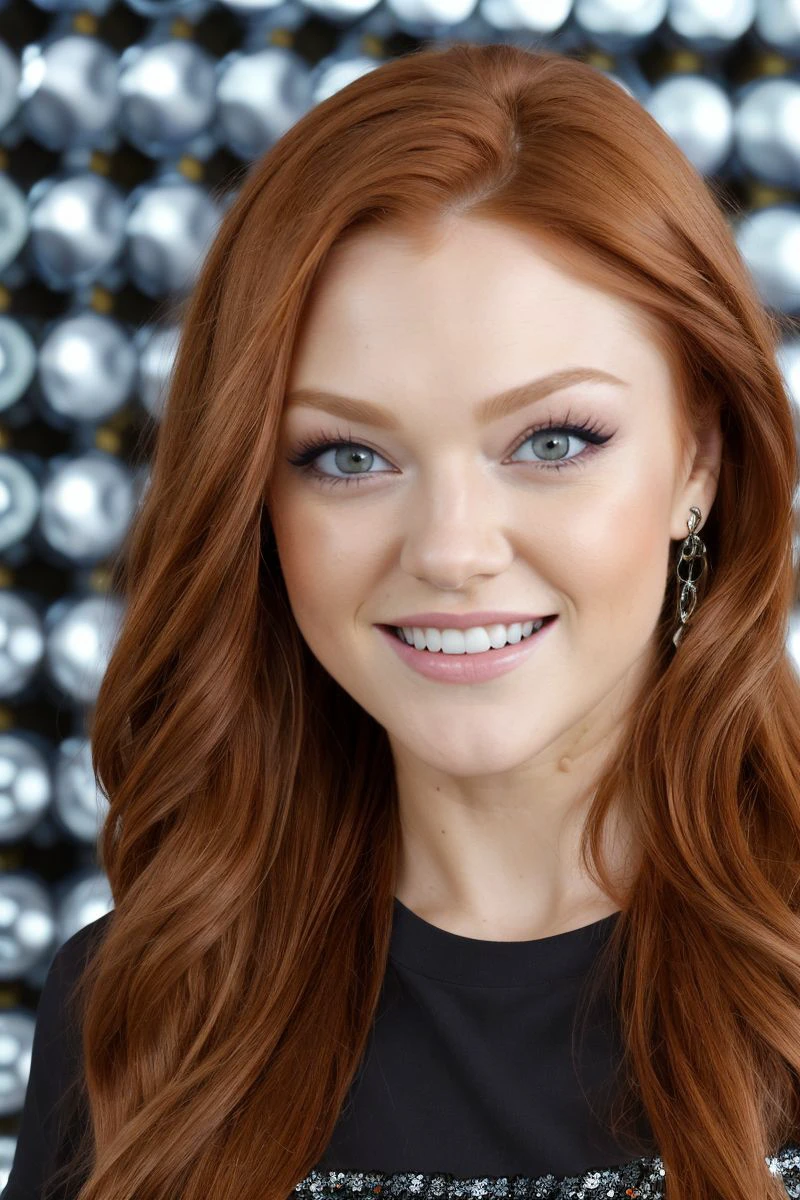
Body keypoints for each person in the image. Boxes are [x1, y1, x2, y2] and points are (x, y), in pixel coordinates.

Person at [5, 39, 800, 1200]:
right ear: (254, 498)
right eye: (347, 455)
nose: (450, 549)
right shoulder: (148, 1005)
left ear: (701, 457)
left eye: (551, 442)